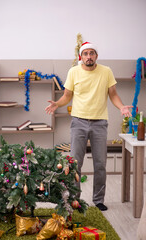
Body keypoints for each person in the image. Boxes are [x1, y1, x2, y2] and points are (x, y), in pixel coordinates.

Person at [45, 42, 132, 211]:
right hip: (79, 122)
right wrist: (57, 103)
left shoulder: (106, 71)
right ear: (81, 57)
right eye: (85, 53)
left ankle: (98, 200)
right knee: (75, 163)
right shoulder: (74, 72)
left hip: (100, 123)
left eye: (92, 53)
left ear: (96, 56)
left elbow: (113, 94)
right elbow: (67, 96)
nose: (89, 56)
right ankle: (74, 199)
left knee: (100, 163)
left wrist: (121, 106)